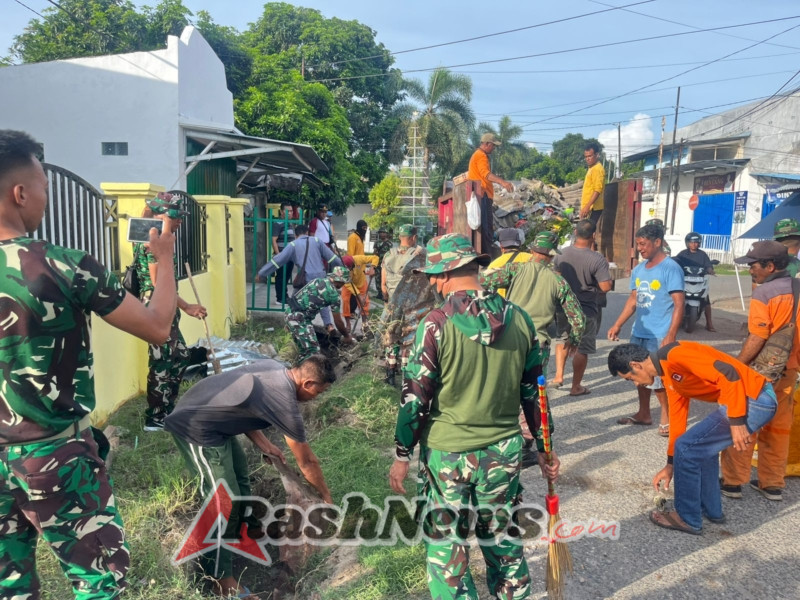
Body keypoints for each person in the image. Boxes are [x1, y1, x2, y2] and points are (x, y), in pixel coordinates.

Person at [0, 129, 179, 599]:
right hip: (54, 457)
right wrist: (164, 258)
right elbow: (159, 326)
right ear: (20, 194)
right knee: (98, 581)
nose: (44, 197)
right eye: (44, 187)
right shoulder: (63, 266)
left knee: (9, 585)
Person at [388, 234, 559, 600]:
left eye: (435, 275)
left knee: (446, 543)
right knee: (500, 534)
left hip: (447, 453)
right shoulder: (520, 320)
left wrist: (402, 454)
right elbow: (534, 393)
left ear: (447, 274)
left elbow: (415, 399)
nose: (433, 283)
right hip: (503, 452)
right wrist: (545, 447)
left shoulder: (434, 325)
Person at [165, 355, 335, 599]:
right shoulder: (285, 402)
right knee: (222, 502)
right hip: (195, 427)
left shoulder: (277, 370)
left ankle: (250, 531)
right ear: (307, 384)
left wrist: (264, 443)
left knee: (242, 481)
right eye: (318, 393)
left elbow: (241, 403)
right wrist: (326, 496)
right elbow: (307, 461)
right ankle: (220, 580)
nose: (316, 398)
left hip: (217, 424)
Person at [608, 342, 776, 535]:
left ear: (636, 365)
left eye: (631, 379)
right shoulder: (667, 374)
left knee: (688, 448)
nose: (637, 384)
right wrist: (671, 463)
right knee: (698, 447)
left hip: (755, 399)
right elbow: (678, 417)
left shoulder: (675, 355)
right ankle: (712, 510)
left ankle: (687, 518)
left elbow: (729, 373)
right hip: (750, 400)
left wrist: (737, 421)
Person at [481, 231, 584, 465]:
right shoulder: (557, 280)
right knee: (535, 394)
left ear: (532, 250)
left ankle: (498, 440)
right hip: (538, 344)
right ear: (550, 255)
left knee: (503, 387)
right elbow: (577, 317)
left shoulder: (514, 270)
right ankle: (529, 443)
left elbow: (483, 283)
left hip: (509, 340)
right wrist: (573, 341)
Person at [720, 241, 798, 501]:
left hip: (761, 372)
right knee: (779, 427)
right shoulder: (797, 289)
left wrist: (737, 364)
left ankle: (732, 482)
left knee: (745, 421)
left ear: (770, 266)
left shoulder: (765, 293)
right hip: (788, 371)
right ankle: (772, 484)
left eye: (753, 266)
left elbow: (758, 336)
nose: (750, 270)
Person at [135, 193, 208, 432]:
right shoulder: (151, 241)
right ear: (161, 216)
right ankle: (154, 418)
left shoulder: (161, 239)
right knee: (162, 361)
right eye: (175, 216)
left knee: (181, 356)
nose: (180, 222)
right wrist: (186, 306)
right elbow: (158, 285)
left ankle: (167, 409)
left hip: (164, 305)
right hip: (155, 307)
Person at [608, 223, 684, 436]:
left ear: (657, 242)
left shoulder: (671, 268)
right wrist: (618, 323)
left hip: (660, 334)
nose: (639, 248)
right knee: (638, 374)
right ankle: (644, 413)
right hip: (639, 332)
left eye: (643, 244)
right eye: (638, 244)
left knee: (659, 379)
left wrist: (670, 334)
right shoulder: (639, 269)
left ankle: (667, 418)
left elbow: (679, 303)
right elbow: (633, 300)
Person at [552, 219, 613, 395]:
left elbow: (556, 279)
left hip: (563, 306)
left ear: (575, 233)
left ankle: (558, 376)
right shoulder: (597, 259)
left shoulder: (560, 254)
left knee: (563, 338)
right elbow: (605, 287)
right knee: (582, 347)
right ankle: (576, 386)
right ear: (593, 236)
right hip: (586, 308)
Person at [258, 223, 343, 329]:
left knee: (295, 300)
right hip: (321, 277)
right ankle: (329, 325)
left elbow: (278, 260)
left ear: (295, 234)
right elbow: (333, 259)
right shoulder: (317, 241)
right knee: (323, 300)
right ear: (307, 233)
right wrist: (343, 269)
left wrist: (262, 273)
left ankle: (290, 325)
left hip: (306, 278)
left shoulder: (293, 245)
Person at [380, 224, 426, 385]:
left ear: (400, 237)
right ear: (413, 237)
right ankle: (407, 378)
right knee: (408, 340)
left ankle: (390, 374)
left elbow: (383, 286)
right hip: (411, 306)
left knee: (391, 336)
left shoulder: (388, 255)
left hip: (393, 305)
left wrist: (388, 301)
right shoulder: (419, 255)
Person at [284, 267, 354, 360]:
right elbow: (338, 321)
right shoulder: (333, 295)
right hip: (300, 320)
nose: (344, 284)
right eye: (344, 282)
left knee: (304, 350)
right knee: (314, 353)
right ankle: (304, 372)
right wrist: (346, 335)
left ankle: (298, 366)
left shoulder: (317, 280)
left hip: (290, 313)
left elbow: (298, 295)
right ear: (341, 281)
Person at [467, 133, 514, 253]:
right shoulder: (481, 156)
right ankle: (486, 257)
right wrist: (503, 183)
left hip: (482, 195)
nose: (494, 148)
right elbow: (486, 174)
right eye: (493, 145)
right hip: (482, 195)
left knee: (485, 228)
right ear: (487, 144)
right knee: (486, 229)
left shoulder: (477, 155)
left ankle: (485, 254)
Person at [674, 231, 716, 332]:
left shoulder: (702, 255)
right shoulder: (682, 254)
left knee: (706, 301)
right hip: (685, 281)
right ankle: (669, 320)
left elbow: (708, 265)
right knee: (673, 297)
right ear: (687, 243)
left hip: (699, 281)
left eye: (696, 242)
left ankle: (709, 323)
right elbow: (675, 262)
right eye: (692, 242)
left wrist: (710, 270)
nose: (694, 244)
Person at [486, 227, 531, 297]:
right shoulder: (531, 258)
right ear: (519, 244)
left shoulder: (494, 265)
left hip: (505, 304)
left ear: (501, 246)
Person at [341, 253, 379, 333]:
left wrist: (372, 268)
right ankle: (348, 324)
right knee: (345, 300)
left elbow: (375, 257)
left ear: (353, 264)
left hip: (361, 283)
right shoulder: (342, 268)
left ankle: (364, 324)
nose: (349, 270)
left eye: (350, 268)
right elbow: (347, 282)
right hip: (348, 284)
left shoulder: (359, 258)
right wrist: (358, 295)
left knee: (364, 302)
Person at [271, 202, 296, 303]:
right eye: (287, 211)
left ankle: (284, 296)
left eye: (291, 211)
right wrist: (279, 255)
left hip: (290, 256)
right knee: (281, 276)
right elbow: (274, 240)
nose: (290, 213)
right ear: (281, 211)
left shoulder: (290, 223)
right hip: (282, 255)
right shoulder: (278, 223)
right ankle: (280, 298)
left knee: (287, 276)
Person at [580, 141, 605, 226]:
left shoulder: (597, 169)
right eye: (586, 157)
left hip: (593, 207)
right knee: (587, 232)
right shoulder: (591, 168)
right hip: (589, 207)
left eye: (590, 156)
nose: (587, 159)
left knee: (587, 232)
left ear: (597, 155)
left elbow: (597, 190)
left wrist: (587, 206)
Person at [373, 228, 394, 300]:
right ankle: (379, 293)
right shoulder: (377, 243)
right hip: (378, 264)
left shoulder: (389, 244)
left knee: (385, 279)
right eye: (380, 233)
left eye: (383, 232)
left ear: (386, 234)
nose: (382, 234)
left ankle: (385, 294)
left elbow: (391, 254)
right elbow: (375, 253)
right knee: (377, 279)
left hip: (386, 265)